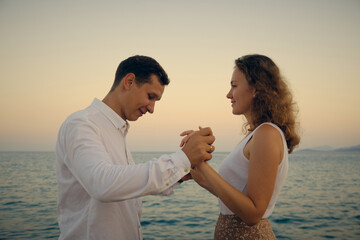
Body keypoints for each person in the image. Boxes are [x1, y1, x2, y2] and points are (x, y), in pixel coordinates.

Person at [55, 55, 215, 240]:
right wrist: (182, 159)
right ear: (129, 81)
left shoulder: (116, 131)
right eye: (150, 96)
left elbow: (124, 185)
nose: (152, 109)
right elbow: (102, 184)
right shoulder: (82, 123)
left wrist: (182, 173)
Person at [180, 54, 300, 239]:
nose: (228, 94)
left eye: (234, 86)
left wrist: (202, 164)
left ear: (256, 89)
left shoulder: (266, 134)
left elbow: (253, 213)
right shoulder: (257, 134)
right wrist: (200, 172)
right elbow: (234, 200)